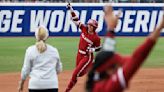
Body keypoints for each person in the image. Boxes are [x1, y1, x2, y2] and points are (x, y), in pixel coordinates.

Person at [86, 5, 164, 92]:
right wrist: (160, 26)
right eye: (117, 64)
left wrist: (111, 28)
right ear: (109, 70)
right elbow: (138, 57)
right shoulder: (111, 87)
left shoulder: (95, 78)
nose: (120, 65)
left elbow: (107, 50)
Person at [65, 3, 101, 92]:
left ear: (94, 27)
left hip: (87, 57)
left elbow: (99, 47)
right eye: (88, 24)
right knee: (80, 74)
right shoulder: (84, 29)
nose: (89, 26)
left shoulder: (96, 38)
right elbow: (76, 20)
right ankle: (92, 66)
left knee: (75, 74)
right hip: (79, 54)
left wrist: (93, 49)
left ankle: (67, 90)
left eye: (91, 25)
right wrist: (71, 9)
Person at [18, 26, 62, 92]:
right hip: (52, 85)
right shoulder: (54, 51)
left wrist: (21, 84)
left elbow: (26, 70)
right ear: (47, 36)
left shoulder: (30, 50)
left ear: (36, 36)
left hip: (35, 85)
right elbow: (59, 69)